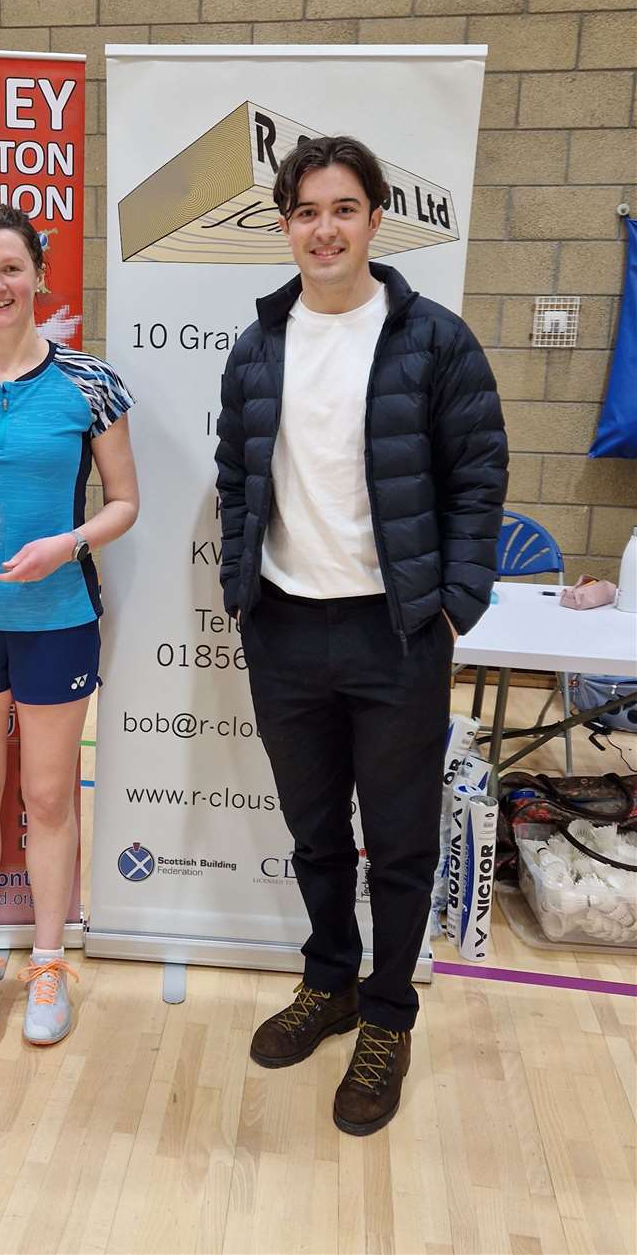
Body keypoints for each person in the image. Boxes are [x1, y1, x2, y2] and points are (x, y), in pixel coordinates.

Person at [215, 135, 507, 1135]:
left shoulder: (434, 340)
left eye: (344, 208)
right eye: (306, 211)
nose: (324, 228)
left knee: (398, 846)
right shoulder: (259, 346)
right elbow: (234, 475)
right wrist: (239, 591)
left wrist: (455, 599)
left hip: (398, 637)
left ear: (376, 218)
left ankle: (388, 1013)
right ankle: (329, 981)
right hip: (287, 630)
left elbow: (478, 476)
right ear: (285, 224)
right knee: (312, 837)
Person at [0, 205, 138, 1046]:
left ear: (39, 275)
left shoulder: (90, 385)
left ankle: (48, 962)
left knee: (47, 796)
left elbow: (125, 502)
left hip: (57, 618)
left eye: (12, 268)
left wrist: (67, 543)